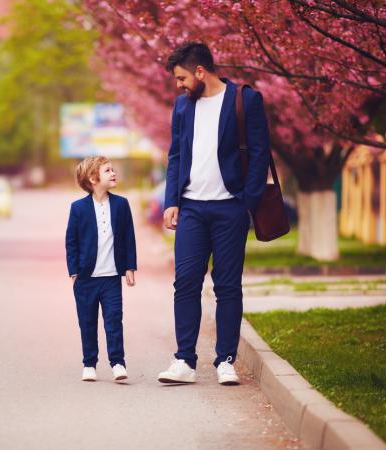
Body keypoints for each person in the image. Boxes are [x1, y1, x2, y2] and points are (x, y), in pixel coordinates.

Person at [157, 42, 270, 385]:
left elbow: (261, 151)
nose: (179, 85)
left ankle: (225, 361)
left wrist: (246, 202)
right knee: (186, 283)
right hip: (191, 208)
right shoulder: (182, 107)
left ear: (201, 72)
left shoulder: (245, 100)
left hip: (229, 209)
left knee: (227, 285)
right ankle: (184, 362)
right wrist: (172, 200)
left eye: (181, 78)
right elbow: (175, 155)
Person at [65, 156, 137, 382]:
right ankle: (89, 364)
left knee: (114, 320)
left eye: (113, 170)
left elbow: (128, 237)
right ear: (93, 178)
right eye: (108, 171)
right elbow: (71, 241)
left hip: (111, 278)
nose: (114, 173)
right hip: (86, 279)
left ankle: (118, 363)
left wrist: (129, 267)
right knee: (87, 322)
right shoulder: (78, 208)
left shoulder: (121, 204)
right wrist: (74, 270)